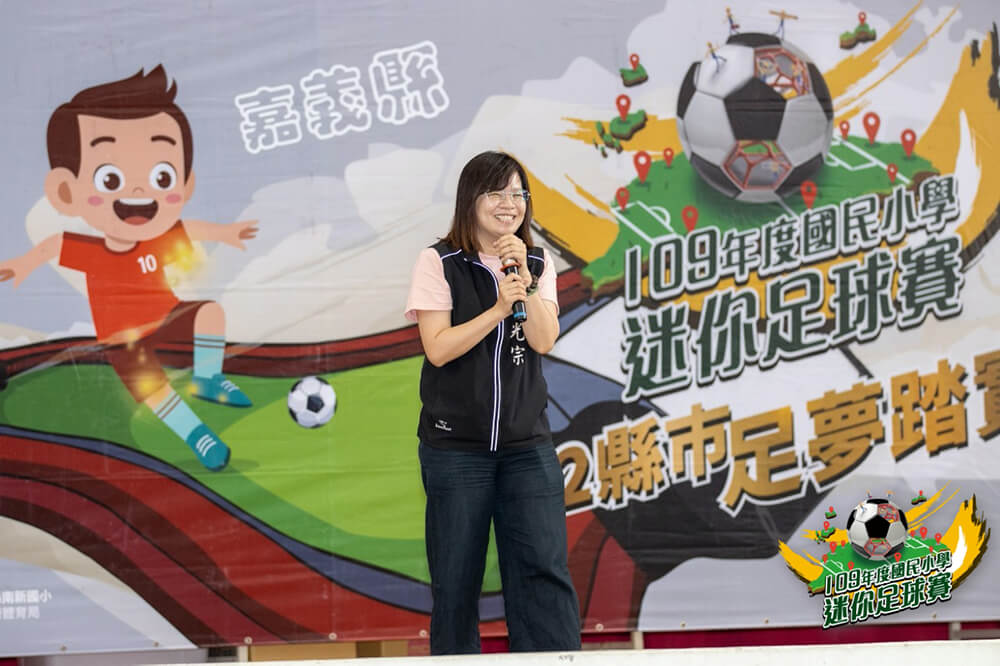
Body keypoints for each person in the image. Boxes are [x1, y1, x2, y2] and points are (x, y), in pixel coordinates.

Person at [0, 66, 258, 471]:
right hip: (123, 341)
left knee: (210, 312)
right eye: (110, 178)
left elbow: (188, 229)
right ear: (67, 192)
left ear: (185, 185)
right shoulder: (91, 252)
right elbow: (55, 244)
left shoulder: (157, 239)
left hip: (167, 319)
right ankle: (199, 437)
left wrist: (225, 233)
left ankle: (208, 377)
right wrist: (24, 263)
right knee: (153, 391)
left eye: (161, 176)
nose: (138, 191)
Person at [404, 151, 581, 654]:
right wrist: (499, 308)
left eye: (518, 193)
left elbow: (544, 339)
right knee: (456, 578)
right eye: (497, 193)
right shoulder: (439, 262)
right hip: (456, 449)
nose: (510, 204)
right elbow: (438, 348)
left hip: (527, 446)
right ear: (471, 199)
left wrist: (523, 278)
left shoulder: (536, 261)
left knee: (543, 569)